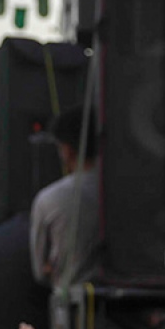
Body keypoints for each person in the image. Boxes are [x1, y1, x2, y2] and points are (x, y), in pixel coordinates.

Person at [28, 102, 99, 289]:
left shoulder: (48, 200)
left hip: (72, 310)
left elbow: (39, 271)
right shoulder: (130, 194)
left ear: (67, 150)